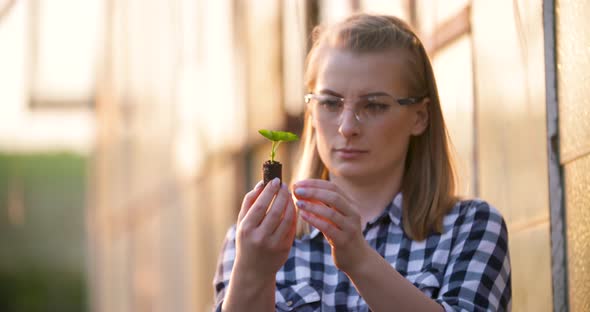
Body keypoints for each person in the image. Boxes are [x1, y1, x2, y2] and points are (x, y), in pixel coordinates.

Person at [213, 13, 511, 312]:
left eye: (374, 105)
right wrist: (253, 273)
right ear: (312, 112)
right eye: (330, 103)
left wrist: (359, 259)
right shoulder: (259, 236)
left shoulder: (470, 227)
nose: (346, 127)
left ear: (420, 117)